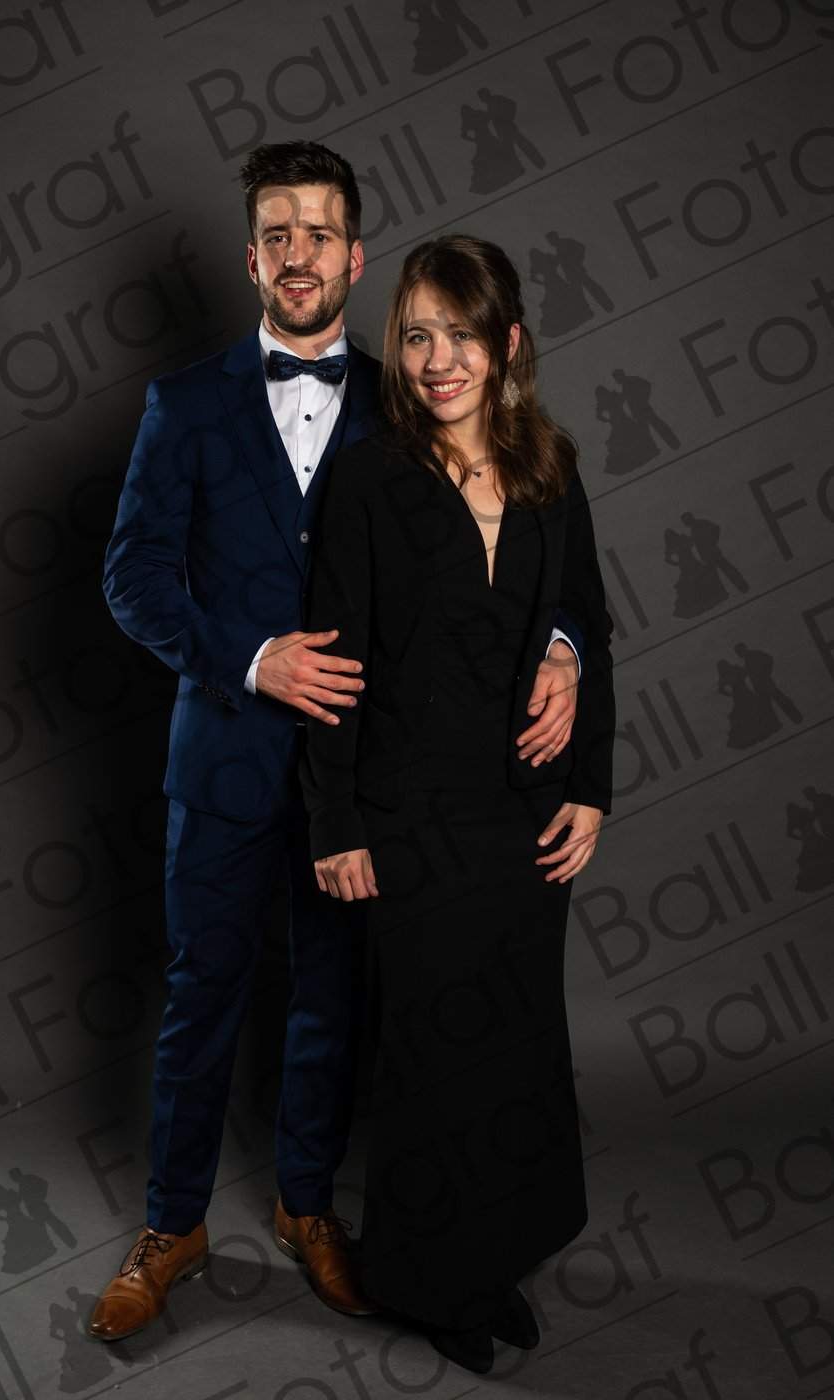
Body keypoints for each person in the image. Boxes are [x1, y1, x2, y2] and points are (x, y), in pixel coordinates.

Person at [94, 141, 584, 1342]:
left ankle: (309, 1207)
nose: (298, 253)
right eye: (278, 234)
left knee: (328, 1000)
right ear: (251, 257)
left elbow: (515, 543)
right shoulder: (184, 404)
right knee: (202, 995)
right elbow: (131, 576)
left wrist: (563, 643)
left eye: (319, 232)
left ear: (355, 258)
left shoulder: (407, 397)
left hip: (364, 784)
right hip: (222, 760)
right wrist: (251, 656)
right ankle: (170, 1223)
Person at [299, 234, 616, 1375]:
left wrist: (589, 787)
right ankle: (427, 1280)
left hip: (524, 812)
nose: (438, 361)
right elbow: (332, 664)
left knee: (517, 1048)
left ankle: (494, 1262)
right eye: (418, 335)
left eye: (463, 335)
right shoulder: (368, 478)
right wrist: (335, 822)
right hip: (409, 813)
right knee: (433, 1056)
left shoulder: (549, 469)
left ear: (507, 343)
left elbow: (586, 621)